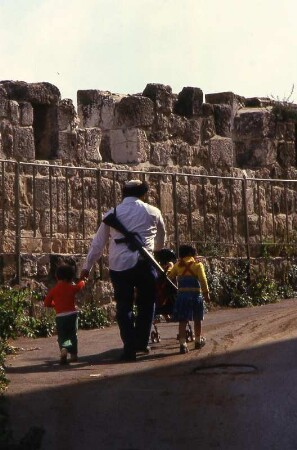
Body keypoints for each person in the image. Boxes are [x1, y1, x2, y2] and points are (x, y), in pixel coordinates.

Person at [80, 180, 166, 362]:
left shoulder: (113, 213)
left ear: (124, 194)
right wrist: (155, 252)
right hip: (146, 263)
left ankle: (129, 347)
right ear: (143, 194)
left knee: (124, 305)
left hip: (120, 265)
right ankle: (141, 342)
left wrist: (87, 267)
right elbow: (161, 239)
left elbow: (98, 244)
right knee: (147, 303)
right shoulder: (153, 212)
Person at [168, 244, 210, 354]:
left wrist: (170, 267)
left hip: (182, 297)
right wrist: (206, 293)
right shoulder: (197, 265)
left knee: (182, 321)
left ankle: (182, 344)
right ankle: (197, 340)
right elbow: (203, 280)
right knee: (197, 319)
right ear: (192, 253)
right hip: (196, 296)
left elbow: (170, 276)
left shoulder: (178, 266)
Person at [44, 263, 85, 364]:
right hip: (72, 315)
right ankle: (74, 354)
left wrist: (56, 304)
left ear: (57, 277)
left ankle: (64, 349)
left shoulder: (54, 290)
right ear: (70, 278)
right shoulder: (71, 287)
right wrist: (83, 281)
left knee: (63, 335)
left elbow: (46, 303)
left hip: (60, 317)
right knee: (72, 335)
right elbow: (79, 287)